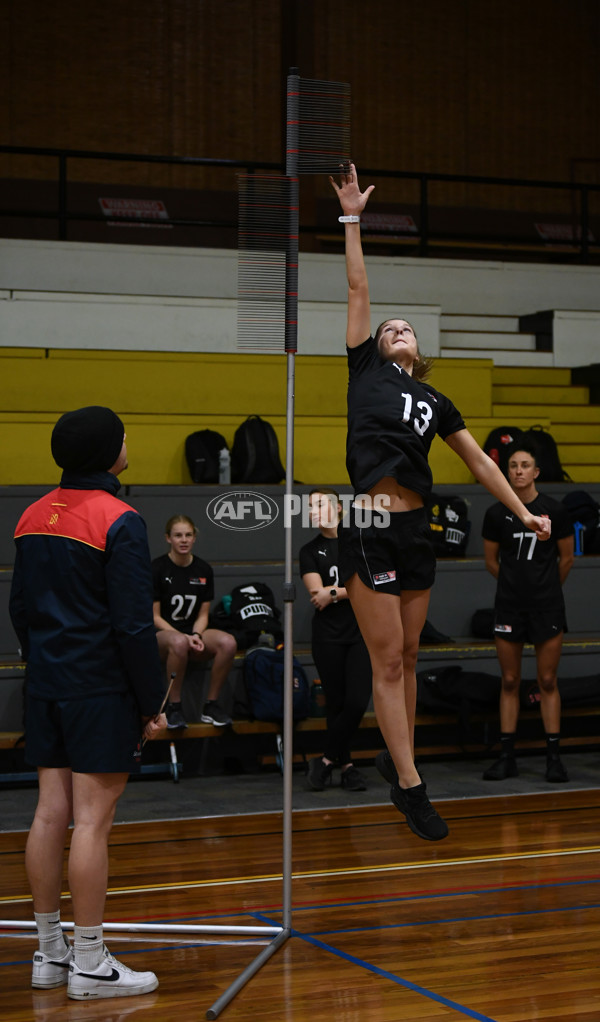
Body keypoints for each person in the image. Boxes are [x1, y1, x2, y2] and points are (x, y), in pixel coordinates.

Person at [329, 163, 552, 841]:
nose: (394, 329)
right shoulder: (363, 365)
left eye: (404, 329)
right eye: (387, 327)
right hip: (370, 523)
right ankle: (412, 785)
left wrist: (524, 513)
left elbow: (482, 462)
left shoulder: (434, 399)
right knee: (389, 660)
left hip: (415, 531)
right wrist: (352, 218)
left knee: (411, 659)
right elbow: (359, 283)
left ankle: (397, 764)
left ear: (419, 352)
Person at [9, 405, 166, 1000]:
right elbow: (131, 626)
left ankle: (50, 953)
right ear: (109, 452)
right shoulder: (119, 518)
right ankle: (92, 963)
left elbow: (19, 609)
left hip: (46, 683)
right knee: (92, 820)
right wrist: (151, 699)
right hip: (98, 688)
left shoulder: (29, 516)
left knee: (50, 813)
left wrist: (43, 661)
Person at [481, 440, 574, 782]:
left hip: (547, 607)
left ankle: (553, 758)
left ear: (536, 472)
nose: (518, 471)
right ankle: (507, 758)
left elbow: (566, 559)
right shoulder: (495, 514)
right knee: (509, 680)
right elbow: (492, 562)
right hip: (509, 607)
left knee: (547, 680)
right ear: (507, 472)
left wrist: (544, 588)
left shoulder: (556, 509)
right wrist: (515, 586)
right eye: (513, 466)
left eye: (524, 466)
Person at [299, 488, 373, 792]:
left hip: (360, 633)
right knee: (337, 704)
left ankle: (326, 760)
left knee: (357, 702)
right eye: (311, 506)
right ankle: (347, 767)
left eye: (320, 503)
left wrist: (337, 592)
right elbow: (318, 596)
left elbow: (370, 585)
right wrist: (345, 590)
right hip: (328, 636)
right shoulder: (309, 550)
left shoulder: (357, 541)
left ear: (338, 507)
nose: (314, 510)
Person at [152, 515, 235, 729]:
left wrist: (196, 635)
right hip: (163, 636)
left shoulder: (203, 569)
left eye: (188, 535)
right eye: (178, 535)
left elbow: (203, 615)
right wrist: (184, 637)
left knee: (228, 642)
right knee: (178, 643)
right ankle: (174, 708)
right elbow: (155, 617)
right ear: (168, 538)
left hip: (192, 632)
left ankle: (211, 705)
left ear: (194, 538)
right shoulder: (157, 568)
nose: (183, 540)